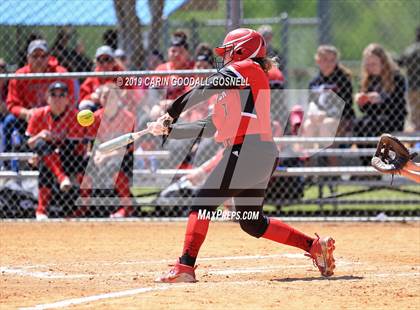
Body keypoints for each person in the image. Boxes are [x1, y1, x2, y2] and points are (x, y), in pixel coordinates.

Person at [147, 28, 336, 283]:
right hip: (256, 153)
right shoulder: (233, 87)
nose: (224, 57)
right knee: (252, 222)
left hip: (248, 149)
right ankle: (314, 246)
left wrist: (171, 112)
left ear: (242, 51)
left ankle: (185, 267)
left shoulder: (249, 69)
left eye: (228, 52)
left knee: (202, 204)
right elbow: (210, 125)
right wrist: (170, 129)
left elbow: (203, 88)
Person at [5, 40, 75, 167]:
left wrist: (57, 110)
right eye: (35, 56)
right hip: (30, 117)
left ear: (49, 57)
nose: (39, 60)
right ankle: (10, 165)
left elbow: (71, 99)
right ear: (28, 58)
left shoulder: (59, 73)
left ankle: (68, 164)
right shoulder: (20, 75)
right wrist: (26, 113)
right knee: (10, 121)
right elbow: (11, 104)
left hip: (56, 115)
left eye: (43, 56)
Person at [26, 82, 85, 220]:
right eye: (53, 95)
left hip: (70, 158)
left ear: (68, 99)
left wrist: (55, 139)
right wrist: (41, 135)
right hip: (46, 157)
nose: (57, 99)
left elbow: (72, 146)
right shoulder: (39, 114)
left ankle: (41, 210)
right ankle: (60, 179)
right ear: (47, 98)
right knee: (41, 147)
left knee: (46, 159)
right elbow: (28, 143)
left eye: (62, 95)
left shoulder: (74, 116)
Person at [85, 83, 135, 218]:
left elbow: (127, 147)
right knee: (85, 163)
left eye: (111, 96)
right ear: (100, 100)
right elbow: (91, 142)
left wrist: (105, 155)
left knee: (114, 165)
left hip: (124, 156)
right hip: (102, 154)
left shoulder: (127, 117)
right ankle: (86, 207)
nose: (107, 99)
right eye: (104, 96)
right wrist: (94, 154)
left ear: (118, 98)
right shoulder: (96, 117)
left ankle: (126, 207)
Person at [354, 43, 407, 137]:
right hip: (373, 117)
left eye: (374, 64)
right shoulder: (367, 79)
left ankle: (376, 151)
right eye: (368, 65)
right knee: (358, 125)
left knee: (371, 126)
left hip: (393, 118)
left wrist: (380, 100)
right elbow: (363, 110)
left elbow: (398, 106)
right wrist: (362, 101)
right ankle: (366, 151)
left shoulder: (396, 77)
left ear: (383, 62)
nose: (370, 68)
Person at [303, 45, 354, 139]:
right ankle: (309, 154)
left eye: (332, 60)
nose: (329, 63)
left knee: (325, 125)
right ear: (318, 61)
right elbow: (311, 104)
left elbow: (347, 105)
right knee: (308, 125)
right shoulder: (314, 82)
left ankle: (327, 154)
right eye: (325, 59)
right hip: (319, 117)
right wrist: (314, 114)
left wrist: (326, 114)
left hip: (340, 118)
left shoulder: (343, 80)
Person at [398, 26, 420, 132]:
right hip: (414, 86)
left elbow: (400, 62)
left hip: (413, 87)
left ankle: (417, 140)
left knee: (415, 117)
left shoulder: (410, 50)